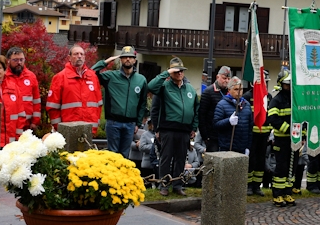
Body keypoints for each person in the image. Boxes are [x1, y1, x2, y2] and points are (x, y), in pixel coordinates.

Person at [147, 56, 200, 197]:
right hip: (168, 128)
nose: (179, 73)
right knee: (166, 157)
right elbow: (151, 87)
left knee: (181, 158)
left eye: (181, 70)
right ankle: (164, 185)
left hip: (184, 130)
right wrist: (166, 73)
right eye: (176, 71)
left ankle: (178, 185)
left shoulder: (190, 89)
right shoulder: (163, 87)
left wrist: (194, 128)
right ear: (171, 72)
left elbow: (196, 110)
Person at [92, 46, 149, 158]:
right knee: (112, 155)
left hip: (130, 124)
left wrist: (138, 123)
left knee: (125, 155)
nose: (127, 59)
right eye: (124, 57)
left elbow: (143, 102)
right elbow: (91, 73)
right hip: (113, 122)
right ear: (120, 60)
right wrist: (105, 62)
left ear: (134, 60)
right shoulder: (110, 76)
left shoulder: (141, 79)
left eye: (130, 57)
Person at [47, 45, 102, 136]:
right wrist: (59, 128)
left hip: (89, 129)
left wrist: (95, 126)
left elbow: (99, 104)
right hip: (68, 129)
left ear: (84, 57)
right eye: (76, 54)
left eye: (82, 54)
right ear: (69, 58)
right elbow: (52, 107)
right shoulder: (60, 77)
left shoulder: (92, 77)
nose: (79, 56)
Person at [267, 72, 297, 207]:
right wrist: (288, 129)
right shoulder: (276, 100)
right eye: (286, 84)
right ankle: (277, 194)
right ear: (281, 84)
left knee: (292, 167)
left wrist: (300, 134)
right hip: (281, 140)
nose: (289, 87)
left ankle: (287, 192)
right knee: (281, 167)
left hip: (294, 140)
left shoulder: (295, 99)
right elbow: (272, 119)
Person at [244, 71, 272, 196]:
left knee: (261, 161)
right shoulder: (247, 96)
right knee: (251, 160)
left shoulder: (268, 97)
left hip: (264, 135)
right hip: (251, 135)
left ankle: (257, 185)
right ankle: (249, 186)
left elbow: (270, 115)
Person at [213, 76, 253, 154]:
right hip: (227, 147)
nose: (239, 92)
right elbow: (216, 124)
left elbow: (250, 128)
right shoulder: (222, 104)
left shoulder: (246, 105)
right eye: (236, 89)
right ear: (229, 90)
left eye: (241, 89)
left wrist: (248, 147)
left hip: (242, 147)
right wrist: (228, 121)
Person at [5, 47, 40, 131]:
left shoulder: (31, 77)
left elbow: (36, 101)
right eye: (15, 60)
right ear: (8, 60)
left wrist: (35, 121)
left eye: (21, 60)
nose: (19, 63)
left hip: (27, 125)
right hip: (8, 125)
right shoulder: (3, 77)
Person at [198, 66, 232, 153]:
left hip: (226, 135)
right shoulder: (208, 92)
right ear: (217, 77)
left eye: (228, 78)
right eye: (224, 78)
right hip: (212, 135)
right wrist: (205, 136)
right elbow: (202, 115)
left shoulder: (230, 92)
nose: (227, 81)